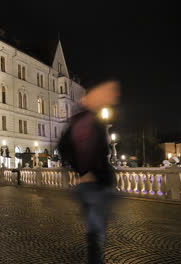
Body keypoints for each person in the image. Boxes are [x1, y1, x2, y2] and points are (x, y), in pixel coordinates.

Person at [58, 79, 120, 264]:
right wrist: (88, 171)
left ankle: (95, 253)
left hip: (89, 183)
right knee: (96, 230)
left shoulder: (77, 121)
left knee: (95, 227)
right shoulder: (90, 121)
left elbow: (63, 147)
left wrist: (77, 169)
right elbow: (99, 151)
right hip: (96, 182)